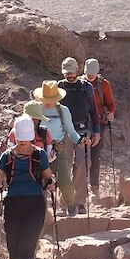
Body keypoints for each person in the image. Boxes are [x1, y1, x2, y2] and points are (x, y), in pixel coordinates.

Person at [0, 117, 55, 259]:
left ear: (32, 138)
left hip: (35, 204)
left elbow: (47, 175)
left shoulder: (40, 154)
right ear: (16, 137)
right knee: (13, 247)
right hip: (12, 204)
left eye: (27, 141)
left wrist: (51, 183)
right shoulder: (6, 156)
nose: (24, 144)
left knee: (26, 245)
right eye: (20, 140)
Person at [58, 57, 100, 215]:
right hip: (64, 132)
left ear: (77, 71)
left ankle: (80, 202)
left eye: (71, 72)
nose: (69, 76)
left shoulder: (86, 87)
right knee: (65, 166)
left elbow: (94, 110)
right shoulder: (59, 87)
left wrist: (96, 131)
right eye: (66, 73)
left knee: (82, 164)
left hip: (83, 130)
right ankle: (64, 203)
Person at [34, 80, 81, 212]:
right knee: (38, 183)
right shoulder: (35, 109)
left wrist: (80, 141)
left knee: (65, 182)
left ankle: (71, 205)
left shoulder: (62, 111)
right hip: (37, 151)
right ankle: (40, 213)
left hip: (58, 149)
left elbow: (71, 131)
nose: (48, 101)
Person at [83, 58, 116, 200]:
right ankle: (80, 188)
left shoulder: (104, 84)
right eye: (88, 73)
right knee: (81, 157)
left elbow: (111, 103)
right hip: (82, 123)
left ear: (97, 72)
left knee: (95, 156)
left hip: (100, 123)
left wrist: (111, 113)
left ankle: (94, 187)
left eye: (92, 73)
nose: (90, 76)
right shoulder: (79, 83)